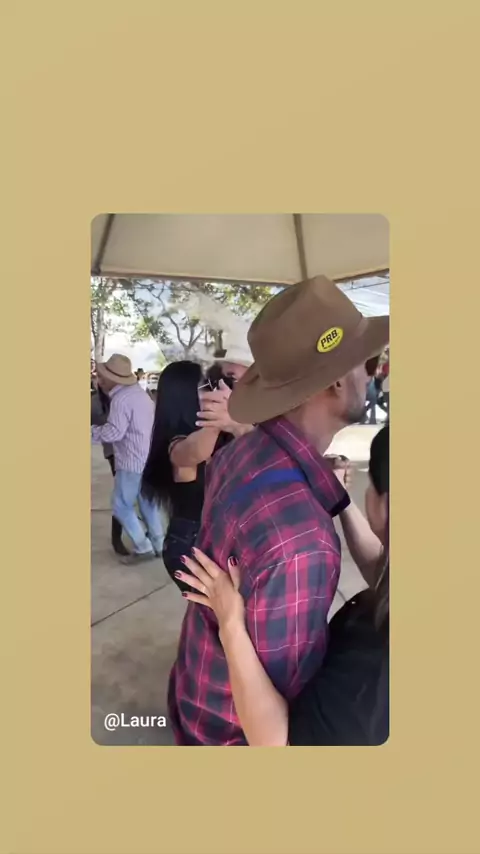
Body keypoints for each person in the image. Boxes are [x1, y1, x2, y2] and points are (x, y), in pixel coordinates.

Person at [168, 274, 389, 745]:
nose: (372, 375)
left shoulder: (239, 453)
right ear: (335, 381)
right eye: (369, 363)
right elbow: (280, 725)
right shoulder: (304, 543)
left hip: (196, 692)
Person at [177, 424, 389, 745]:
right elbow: (380, 568)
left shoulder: (371, 680)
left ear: (382, 505)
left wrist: (231, 624)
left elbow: (276, 743)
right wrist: (338, 498)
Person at [141, 361, 219, 591]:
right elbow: (194, 452)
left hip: (204, 539)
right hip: (191, 545)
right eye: (206, 386)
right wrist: (217, 420)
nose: (212, 391)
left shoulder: (210, 435)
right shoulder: (178, 443)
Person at [91, 354, 164, 566]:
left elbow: (114, 432)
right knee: (148, 503)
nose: (99, 381)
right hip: (147, 457)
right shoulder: (141, 395)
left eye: (102, 377)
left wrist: (91, 432)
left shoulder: (120, 400)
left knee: (121, 505)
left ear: (113, 379)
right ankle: (159, 544)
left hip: (131, 461)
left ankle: (143, 546)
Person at [90, 380, 129, 556]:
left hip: (135, 450)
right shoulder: (95, 403)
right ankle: (116, 539)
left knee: (135, 494)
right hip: (114, 452)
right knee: (123, 494)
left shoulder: (128, 396)